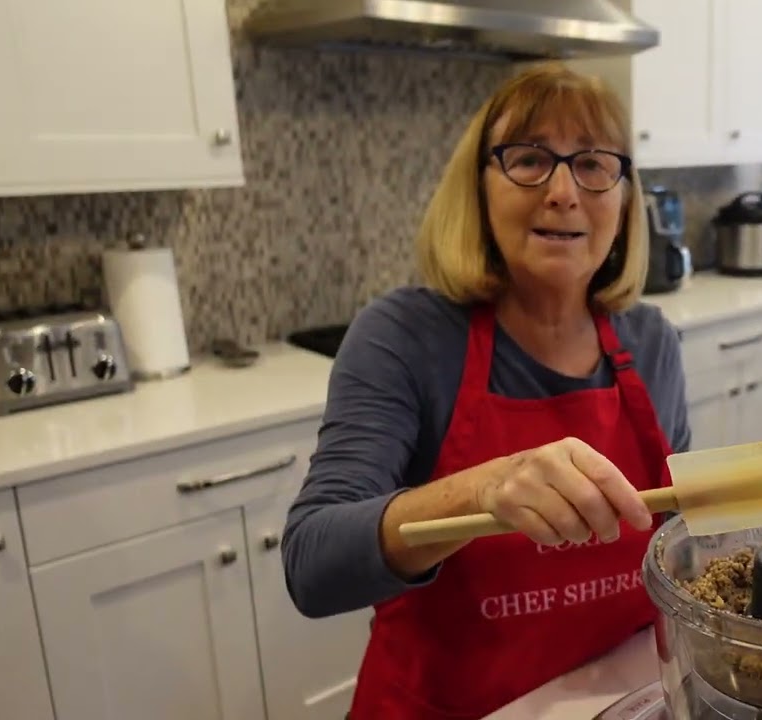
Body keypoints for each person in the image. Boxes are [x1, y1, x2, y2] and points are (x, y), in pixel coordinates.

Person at [280, 62, 691, 720]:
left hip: (619, 698)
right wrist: (483, 490)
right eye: (530, 160)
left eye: (593, 164)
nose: (563, 190)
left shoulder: (651, 343)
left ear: (623, 197)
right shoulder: (406, 337)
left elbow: (680, 537)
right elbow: (312, 562)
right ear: (479, 190)